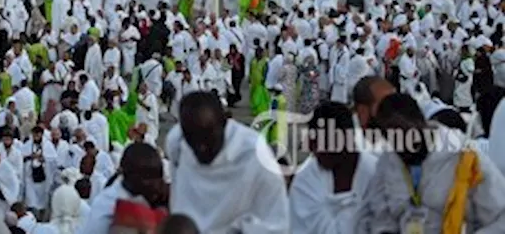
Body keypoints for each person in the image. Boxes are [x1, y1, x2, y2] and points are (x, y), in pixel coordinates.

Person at [359, 93, 505, 232]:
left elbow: (501, 218)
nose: (401, 144)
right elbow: (373, 216)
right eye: (391, 137)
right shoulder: (388, 163)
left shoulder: (464, 157)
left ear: (421, 122)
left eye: (405, 132)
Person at [165, 91, 289, 233]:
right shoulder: (176, 143)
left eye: (207, 136)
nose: (201, 146)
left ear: (224, 122)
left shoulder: (254, 154)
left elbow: (276, 224)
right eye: (192, 138)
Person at [288, 101, 377, 234]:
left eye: (323, 142)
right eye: (313, 142)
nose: (314, 150)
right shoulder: (305, 181)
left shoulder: (377, 174)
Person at [77, 143, 167, 234]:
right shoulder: (108, 206)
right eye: (147, 178)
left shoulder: (157, 195)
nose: (155, 184)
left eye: (157, 177)